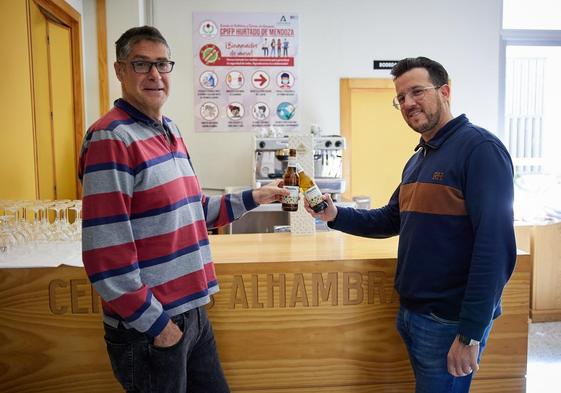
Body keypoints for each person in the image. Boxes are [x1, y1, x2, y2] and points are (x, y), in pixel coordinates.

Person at [78, 26, 289, 393]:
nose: (155, 75)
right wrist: (160, 328)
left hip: (192, 312)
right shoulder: (112, 137)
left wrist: (257, 196)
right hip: (152, 326)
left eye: (162, 64)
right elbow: (105, 255)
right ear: (120, 70)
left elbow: (195, 211)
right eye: (141, 64)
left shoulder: (168, 130)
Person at [305, 56, 516, 393]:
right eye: (400, 98)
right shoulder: (420, 157)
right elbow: (392, 218)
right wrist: (336, 215)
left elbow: (496, 250)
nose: (408, 103)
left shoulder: (480, 150)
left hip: (449, 322)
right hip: (413, 314)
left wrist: (471, 332)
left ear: (445, 91)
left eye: (417, 91)